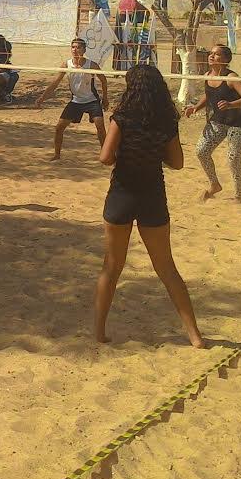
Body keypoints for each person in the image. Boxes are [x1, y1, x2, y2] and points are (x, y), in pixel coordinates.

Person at [94, 63, 205, 348]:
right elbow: (177, 162)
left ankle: (99, 332)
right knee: (167, 268)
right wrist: (153, 154)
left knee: (111, 267)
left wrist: (124, 153)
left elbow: (105, 157)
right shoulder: (167, 120)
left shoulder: (122, 117)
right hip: (152, 195)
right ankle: (194, 335)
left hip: (122, 194)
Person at [184, 44, 241, 203]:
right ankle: (214, 184)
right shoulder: (208, 75)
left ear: (226, 60)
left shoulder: (231, 78)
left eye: (216, 54)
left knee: (233, 158)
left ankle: (238, 196)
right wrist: (196, 107)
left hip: (238, 123)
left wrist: (231, 104)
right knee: (201, 151)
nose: (211, 56)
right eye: (211, 53)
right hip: (218, 121)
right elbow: (209, 95)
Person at [36, 38, 109, 159]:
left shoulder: (91, 65)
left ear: (84, 50)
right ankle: (57, 155)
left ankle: (106, 154)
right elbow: (55, 83)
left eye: (78, 47)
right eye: (73, 47)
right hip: (76, 101)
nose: (75, 50)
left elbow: (104, 80)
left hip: (92, 100)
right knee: (59, 128)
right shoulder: (66, 64)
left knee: (100, 126)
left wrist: (105, 98)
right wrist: (42, 98)